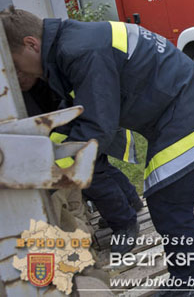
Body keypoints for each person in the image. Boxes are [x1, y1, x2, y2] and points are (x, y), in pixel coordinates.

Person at [1, 6, 194, 294]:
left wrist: (43, 175)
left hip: (185, 110)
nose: (16, 75)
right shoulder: (75, 40)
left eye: (13, 64)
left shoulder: (81, 50)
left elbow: (98, 126)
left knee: (166, 200)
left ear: (31, 44)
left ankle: (191, 284)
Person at [20, 73, 144, 241]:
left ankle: (123, 223)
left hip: (72, 123)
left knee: (94, 178)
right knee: (99, 168)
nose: (19, 76)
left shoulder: (50, 70)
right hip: (74, 120)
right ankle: (130, 201)